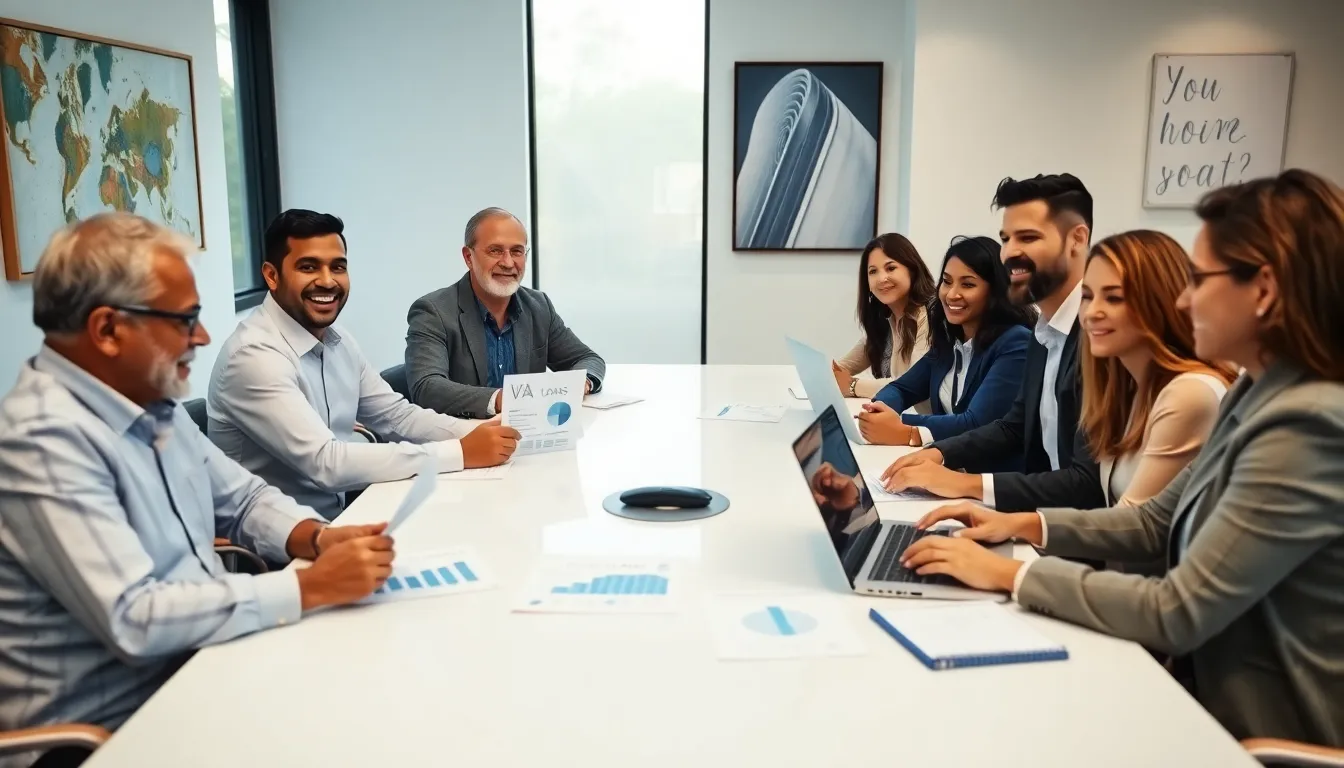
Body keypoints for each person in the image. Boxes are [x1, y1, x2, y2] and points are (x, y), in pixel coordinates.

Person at [901, 169, 1344, 746]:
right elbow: (1154, 520)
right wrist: (1014, 522)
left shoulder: (1306, 424)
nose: (1184, 299)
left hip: (1251, 733)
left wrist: (1012, 572)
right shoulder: (1255, 391)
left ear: (1262, 290)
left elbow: (1178, 609)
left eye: (1200, 279)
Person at [0, 214, 394, 768]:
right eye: (185, 320)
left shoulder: (148, 400)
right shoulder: (40, 440)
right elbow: (136, 617)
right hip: (102, 732)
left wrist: (317, 538)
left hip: (197, 668)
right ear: (108, 330)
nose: (204, 337)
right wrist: (308, 589)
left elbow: (244, 499)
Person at [886, 230, 1236, 509]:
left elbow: (1133, 528)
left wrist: (962, 481)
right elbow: (1013, 426)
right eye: (1089, 296)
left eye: (1112, 298)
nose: (1093, 312)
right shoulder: (1113, 376)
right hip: (1068, 541)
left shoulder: (1187, 392)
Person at [209, 210, 519, 521]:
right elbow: (326, 463)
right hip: (272, 550)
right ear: (272, 275)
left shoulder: (338, 341)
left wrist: (484, 432)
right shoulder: (253, 357)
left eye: (338, 267)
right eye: (308, 267)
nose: (328, 281)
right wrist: (462, 452)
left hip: (338, 520)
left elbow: (396, 417)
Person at [879, 174, 1095, 509]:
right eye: (1006, 239)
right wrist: (937, 452)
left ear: (1077, 240)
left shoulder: (1098, 338)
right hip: (1037, 519)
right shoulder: (1043, 333)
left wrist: (965, 483)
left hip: (1074, 539)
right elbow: (1012, 427)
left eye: (1027, 237)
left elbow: (1086, 483)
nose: (1009, 253)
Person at [404, 207, 606, 419]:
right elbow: (427, 387)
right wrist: (503, 400)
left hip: (529, 436)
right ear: (468, 257)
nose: (508, 263)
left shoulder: (538, 306)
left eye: (517, 251)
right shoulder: (433, 311)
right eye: (495, 251)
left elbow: (587, 358)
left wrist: (580, 383)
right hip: (466, 440)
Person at [856, 236, 1033, 465]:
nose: (951, 294)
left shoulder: (1016, 342)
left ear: (995, 291)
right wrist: (880, 409)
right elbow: (902, 388)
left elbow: (975, 423)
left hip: (993, 484)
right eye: (947, 282)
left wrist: (902, 425)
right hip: (948, 467)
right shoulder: (951, 341)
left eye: (967, 284)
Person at [831, 233, 933, 399]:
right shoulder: (885, 320)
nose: (881, 279)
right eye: (872, 272)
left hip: (925, 421)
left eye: (891, 268)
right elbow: (842, 369)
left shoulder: (929, 315)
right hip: (898, 416)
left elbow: (912, 384)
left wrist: (853, 385)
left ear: (912, 269)